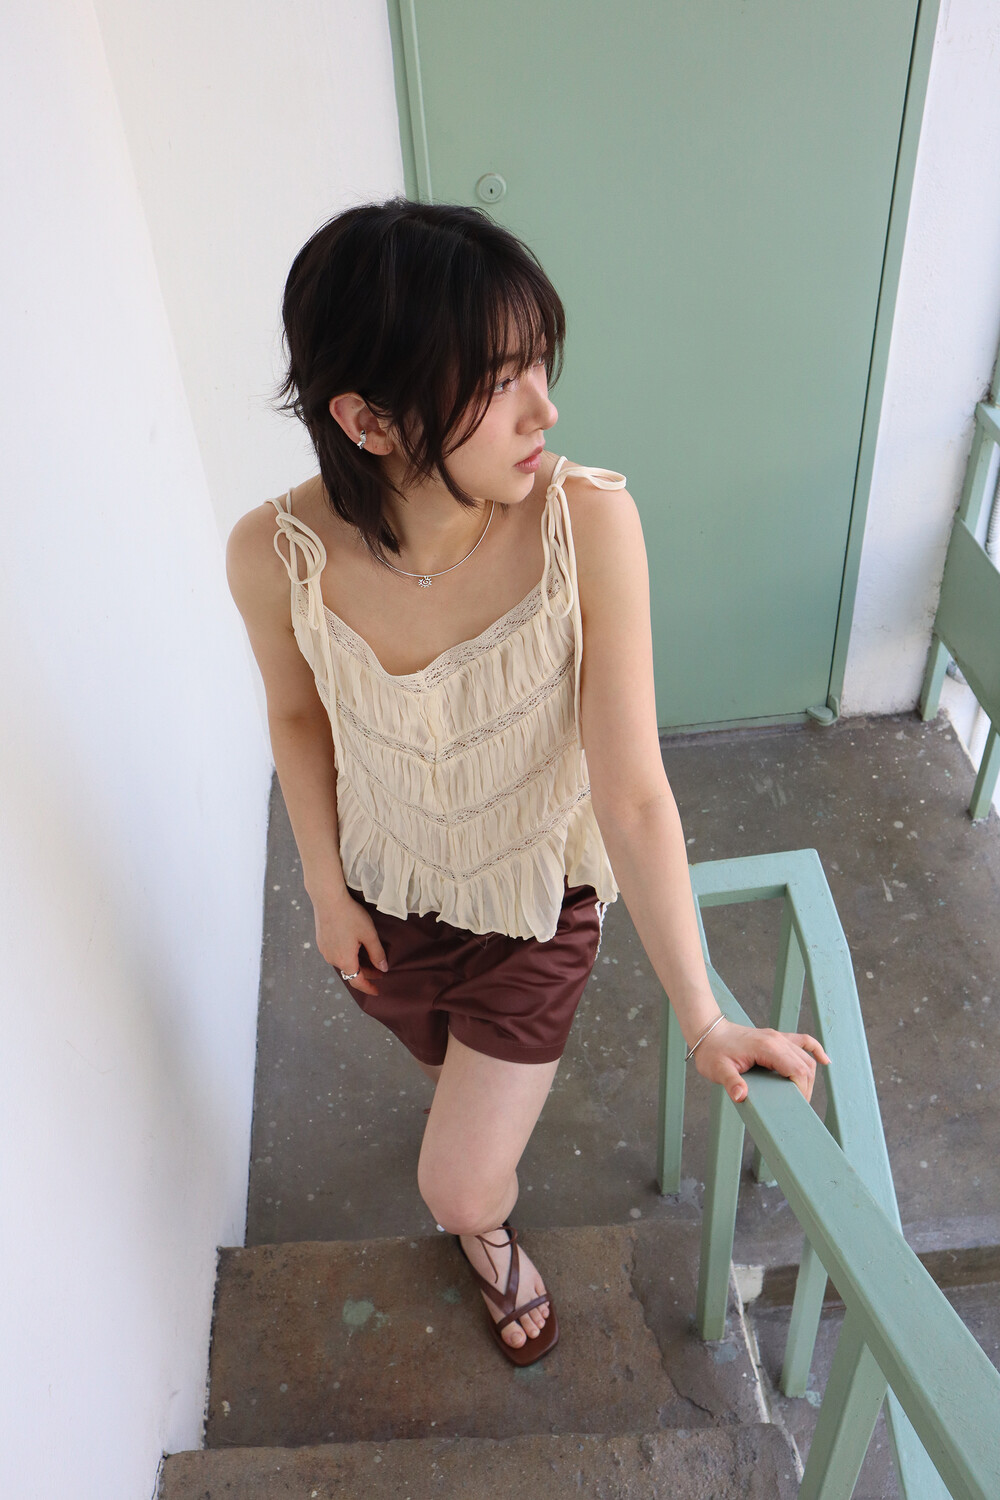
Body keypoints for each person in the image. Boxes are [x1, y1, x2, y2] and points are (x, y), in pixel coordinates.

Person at [226, 198, 829, 1367]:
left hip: (533, 908)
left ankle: (487, 1235)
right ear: (367, 419)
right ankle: (477, 1136)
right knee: (443, 1068)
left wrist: (704, 1015)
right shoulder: (275, 555)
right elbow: (295, 716)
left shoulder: (584, 521)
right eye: (499, 382)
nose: (544, 409)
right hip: (388, 893)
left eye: (539, 365)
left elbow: (632, 790)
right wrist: (324, 890)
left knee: (456, 1184)